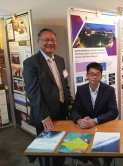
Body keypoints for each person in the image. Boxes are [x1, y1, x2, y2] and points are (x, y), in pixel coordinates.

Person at [23, 28, 73, 166]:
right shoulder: (31, 63)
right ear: (39, 42)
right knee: (46, 149)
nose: (50, 43)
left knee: (61, 144)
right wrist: (44, 116)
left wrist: (69, 99)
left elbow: (64, 83)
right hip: (45, 115)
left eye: (53, 40)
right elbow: (33, 92)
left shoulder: (60, 60)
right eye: (46, 40)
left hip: (62, 111)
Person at [71, 62, 119, 166]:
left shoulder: (109, 90)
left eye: (97, 74)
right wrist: (80, 121)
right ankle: (93, 158)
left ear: (101, 76)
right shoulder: (81, 90)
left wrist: (96, 120)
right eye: (91, 74)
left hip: (104, 125)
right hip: (86, 127)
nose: (94, 77)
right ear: (87, 75)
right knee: (75, 145)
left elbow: (114, 111)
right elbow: (75, 110)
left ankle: (106, 162)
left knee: (109, 147)